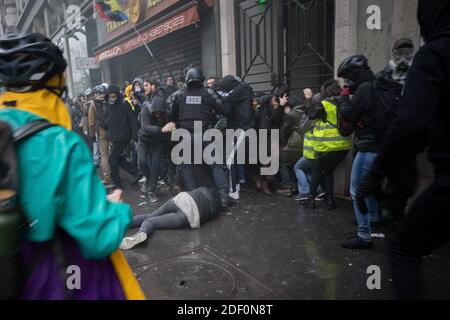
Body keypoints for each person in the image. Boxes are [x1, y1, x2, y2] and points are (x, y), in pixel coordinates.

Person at [0, 32, 143, 300]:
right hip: (61, 278)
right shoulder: (61, 144)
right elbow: (99, 237)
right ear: (56, 82)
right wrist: (115, 209)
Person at [356, 1, 450, 299]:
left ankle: (370, 230)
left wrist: (380, 169)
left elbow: (409, 123)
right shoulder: (386, 78)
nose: (406, 54)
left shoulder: (435, 54)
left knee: (404, 249)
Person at [170, 67, 232, 208]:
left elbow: (172, 115)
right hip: (204, 134)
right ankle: (223, 197)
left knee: (186, 165)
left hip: (185, 135)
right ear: (201, 80)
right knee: (216, 164)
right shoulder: (208, 93)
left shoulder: (179, 95)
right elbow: (225, 109)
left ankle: (194, 196)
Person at [299, 80, 352, 210]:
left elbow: (310, 115)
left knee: (317, 171)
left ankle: (311, 199)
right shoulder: (345, 103)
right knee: (328, 171)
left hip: (327, 145)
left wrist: (309, 99)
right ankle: (330, 201)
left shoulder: (324, 104)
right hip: (344, 146)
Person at [120, 187, 222, 250]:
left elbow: (193, 190)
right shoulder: (215, 210)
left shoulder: (203, 189)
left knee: (149, 216)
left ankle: (122, 224)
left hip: (181, 199)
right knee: (151, 222)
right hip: (188, 215)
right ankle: (141, 233)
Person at [138, 94, 175, 203]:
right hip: (144, 139)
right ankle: (149, 180)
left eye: (160, 113)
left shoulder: (167, 112)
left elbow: (171, 125)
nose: (158, 115)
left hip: (158, 142)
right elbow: (145, 126)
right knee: (142, 162)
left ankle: (151, 190)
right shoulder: (146, 108)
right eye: (156, 113)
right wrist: (162, 129)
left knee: (155, 165)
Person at [106, 85, 141, 189]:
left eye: (114, 95)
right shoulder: (110, 106)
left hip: (123, 136)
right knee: (117, 158)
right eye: (110, 95)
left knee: (112, 159)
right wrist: (110, 137)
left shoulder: (124, 103)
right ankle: (135, 172)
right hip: (115, 137)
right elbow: (111, 122)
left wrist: (134, 134)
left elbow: (132, 119)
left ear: (117, 94)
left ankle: (117, 183)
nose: (112, 97)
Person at [89, 84, 112, 185]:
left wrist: (93, 135)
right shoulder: (109, 101)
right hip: (112, 130)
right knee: (112, 153)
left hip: (101, 131)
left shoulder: (93, 104)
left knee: (104, 155)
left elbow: (91, 123)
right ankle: (115, 175)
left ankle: (107, 178)